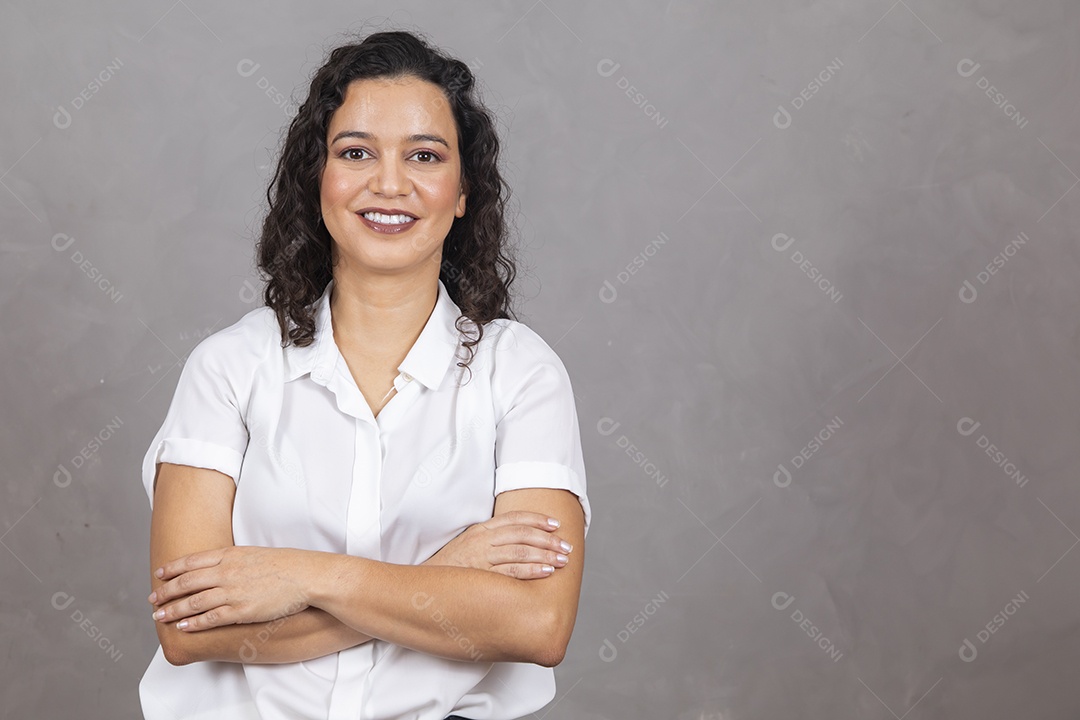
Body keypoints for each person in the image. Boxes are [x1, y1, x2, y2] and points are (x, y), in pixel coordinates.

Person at [138, 29, 591, 720]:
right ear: (316, 177)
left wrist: (301, 575)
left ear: (464, 190)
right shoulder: (228, 369)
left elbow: (538, 626)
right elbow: (187, 632)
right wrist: (443, 579)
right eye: (356, 152)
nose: (389, 183)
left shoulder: (523, 373)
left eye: (424, 156)